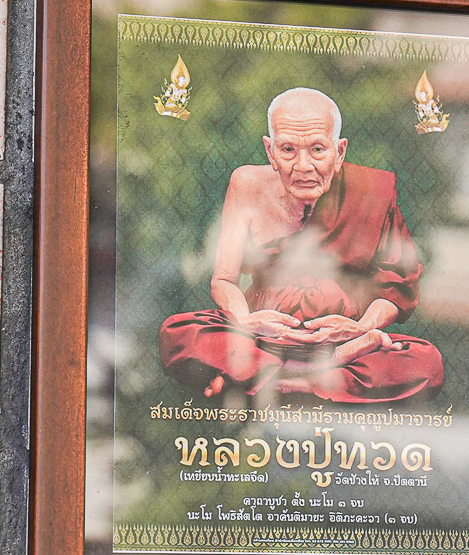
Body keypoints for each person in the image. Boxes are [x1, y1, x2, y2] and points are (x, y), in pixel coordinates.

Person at [159, 88, 444, 403]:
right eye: (288, 149)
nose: (303, 165)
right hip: (263, 338)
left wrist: (359, 328)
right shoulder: (247, 186)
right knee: (180, 333)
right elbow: (224, 280)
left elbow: (396, 287)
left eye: (318, 149)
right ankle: (316, 377)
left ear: (340, 152)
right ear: (270, 151)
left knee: (425, 362)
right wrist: (245, 321)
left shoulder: (372, 191)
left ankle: (261, 377)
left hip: (340, 340)